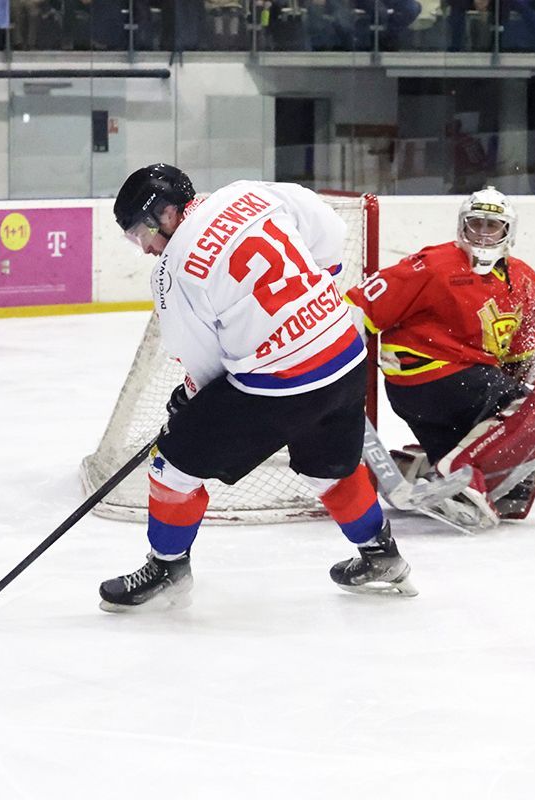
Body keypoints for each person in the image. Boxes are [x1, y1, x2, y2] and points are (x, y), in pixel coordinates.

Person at [100, 164, 416, 609]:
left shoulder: (172, 270)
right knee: (327, 469)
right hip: (344, 356)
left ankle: (168, 569)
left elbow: (203, 363)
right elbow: (330, 228)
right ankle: (381, 555)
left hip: (279, 385)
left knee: (172, 467)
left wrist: (192, 402)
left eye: (143, 232)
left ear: (167, 213)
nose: (147, 247)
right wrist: (311, 299)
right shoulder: (248, 193)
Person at [345, 187, 535, 530]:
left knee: (516, 474)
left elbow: (520, 358)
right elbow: (358, 308)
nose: (483, 233)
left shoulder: (525, 281)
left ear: (509, 231)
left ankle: (427, 469)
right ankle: (456, 472)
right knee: (527, 405)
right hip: (431, 379)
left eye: (493, 225)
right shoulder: (432, 265)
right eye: (476, 224)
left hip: (463, 386)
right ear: (462, 226)